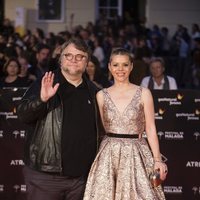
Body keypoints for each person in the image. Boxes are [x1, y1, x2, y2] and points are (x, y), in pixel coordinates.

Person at [16, 38, 104, 200]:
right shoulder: (46, 82)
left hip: (82, 179)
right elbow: (22, 115)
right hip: (46, 176)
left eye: (80, 56)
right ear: (60, 59)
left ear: (87, 62)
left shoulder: (96, 92)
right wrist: (41, 100)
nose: (73, 60)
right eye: (68, 55)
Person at [83, 48, 167, 200]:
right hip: (109, 155)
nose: (120, 69)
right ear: (109, 67)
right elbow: (99, 129)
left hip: (137, 152)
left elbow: (150, 128)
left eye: (125, 65)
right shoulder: (101, 95)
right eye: (115, 65)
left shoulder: (144, 93)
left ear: (131, 66)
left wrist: (157, 160)